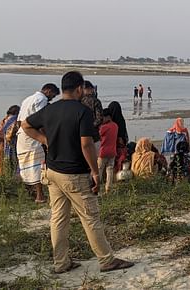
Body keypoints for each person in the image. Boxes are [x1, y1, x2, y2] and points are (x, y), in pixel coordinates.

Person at [21, 71, 133, 274]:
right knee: (90, 217)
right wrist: (95, 172)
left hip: (52, 172)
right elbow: (86, 144)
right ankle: (107, 260)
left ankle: (61, 262)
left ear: (63, 88)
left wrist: (44, 139)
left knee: (58, 218)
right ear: (79, 88)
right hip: (74, 174)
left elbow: (26, 125)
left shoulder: (50, 109)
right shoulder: (82, 112)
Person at [17, 83, 60, 203]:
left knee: (25, 164)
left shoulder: (27, 99)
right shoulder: (41, 99)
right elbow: (42, 120)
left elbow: (19, 121)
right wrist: (45, 137)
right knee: (38, 165)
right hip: (33, 135)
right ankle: (39, 195)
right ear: (48, 91)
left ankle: (31, 192)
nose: (51, 98)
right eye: (52, 95)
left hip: (22, 134)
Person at [0, 105, 20, 175]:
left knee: (4, 165)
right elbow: (5, 135)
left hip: (2, 146)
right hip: (9, 145)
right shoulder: (13, 120)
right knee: (13, 163)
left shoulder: (4, 120)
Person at [97, 109, 117, 194]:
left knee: (99, 170)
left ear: (107, 117)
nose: (102, 119)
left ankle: (96, 188)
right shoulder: (115, 126)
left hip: (103, 151)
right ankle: (108, 188)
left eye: (103, 117)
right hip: (112, 151)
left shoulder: (103, 127)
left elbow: (98, 136)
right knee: (109, 170)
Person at [106, 102, 129, 174]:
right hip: (120, 146)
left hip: (113, 147)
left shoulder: (110, 122)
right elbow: (123, 135)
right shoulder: (121, 120)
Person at [81, 81, 103, 146]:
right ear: (90, 89)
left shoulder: (78, 101)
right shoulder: (95, 101)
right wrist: (91, 126)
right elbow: (100, 119)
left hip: (80, 136)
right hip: (94, 136)